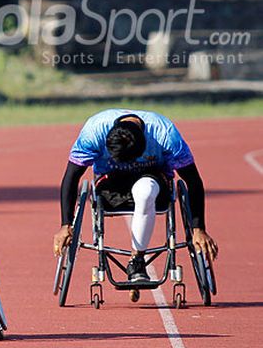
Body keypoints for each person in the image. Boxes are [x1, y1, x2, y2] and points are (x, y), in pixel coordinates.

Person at [53, 109, 218, 282]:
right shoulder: (94, 131)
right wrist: (65, 224)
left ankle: (137, 260)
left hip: (151, 178)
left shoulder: (165, 134)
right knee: (131, 188)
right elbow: (71, 176)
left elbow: (193, 180)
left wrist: (199, 228)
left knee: (145, 190)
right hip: (111, 181)